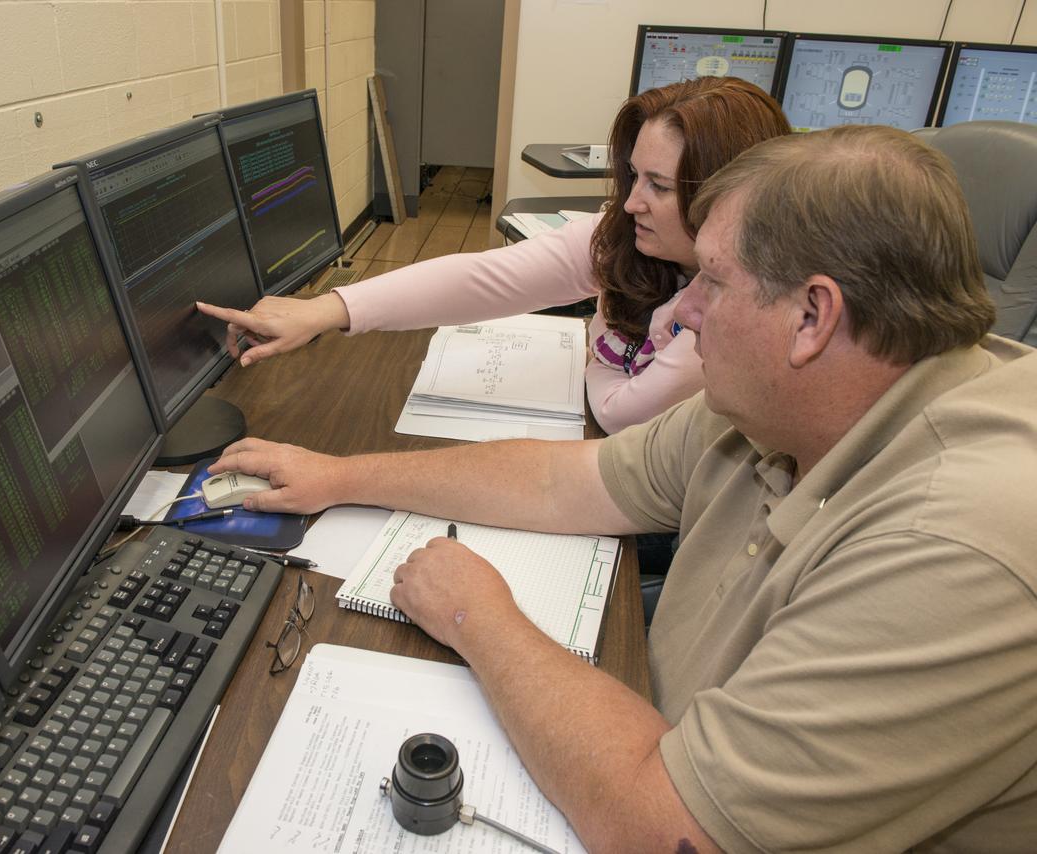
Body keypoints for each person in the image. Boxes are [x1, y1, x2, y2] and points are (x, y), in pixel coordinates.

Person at [208, 125, 1037, 851]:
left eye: (711, 282)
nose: (679, 316)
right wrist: (340, 476)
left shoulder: (954, 544)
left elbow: (666, 829)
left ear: (813, 318)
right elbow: (570, 480)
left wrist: (477, 617)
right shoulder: (777, 405)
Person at [198, 77, 792, 434]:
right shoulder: (638, 242)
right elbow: (484, 278)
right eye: (634, 176)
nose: (632, 202)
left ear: (722, 192)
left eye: (659, 187)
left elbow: (618, 411)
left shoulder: (739, 308)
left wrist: (598, 341)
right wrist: (325, 310)